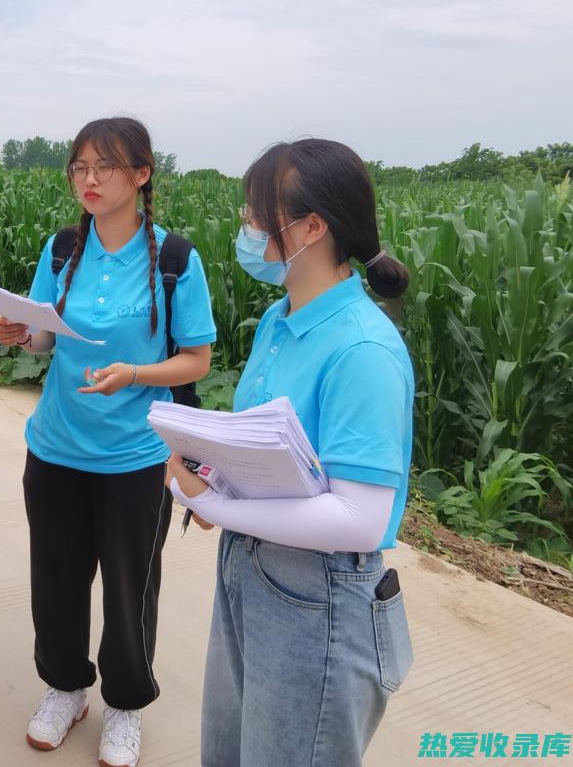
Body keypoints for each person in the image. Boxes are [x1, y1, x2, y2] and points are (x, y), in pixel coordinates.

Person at [168, 139, 416, 767]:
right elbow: (274, 452)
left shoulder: (363, 350)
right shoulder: (280, 322)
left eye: (257, 214)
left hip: (319, 598)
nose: (247, 229)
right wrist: (210, 473)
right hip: (249, 571)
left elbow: (357, 517)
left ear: (310, 227)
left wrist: (221, 508)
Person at [0, 117, 217, 767]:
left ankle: (124, 703)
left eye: (104, 168)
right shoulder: (62, 248)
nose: (87, 180)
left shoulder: (173, 259)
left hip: (135, 456)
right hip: (56, 446)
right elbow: (44, 335)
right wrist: (20, 333)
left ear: (141, 175)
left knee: (128, 588)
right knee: (56, 578)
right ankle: (65, 688)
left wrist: (137, 374)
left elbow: (196, 359)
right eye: (79, 168)